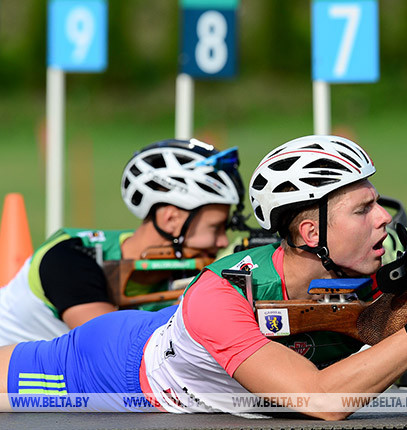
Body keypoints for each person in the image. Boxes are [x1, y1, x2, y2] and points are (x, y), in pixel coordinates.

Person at [0, 135, 407, 419]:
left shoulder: (378, 295)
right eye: (362, 209)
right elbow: (323, 402)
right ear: (312, 232)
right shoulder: (221, 293)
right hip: (114, 362)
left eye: (380, 205)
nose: (385, 220)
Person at [0, 138, 243, 345]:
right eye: (216, 227)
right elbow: (111, 349)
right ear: (171, 219)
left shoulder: (181, 267)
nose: (223, 240)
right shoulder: (68, 257)